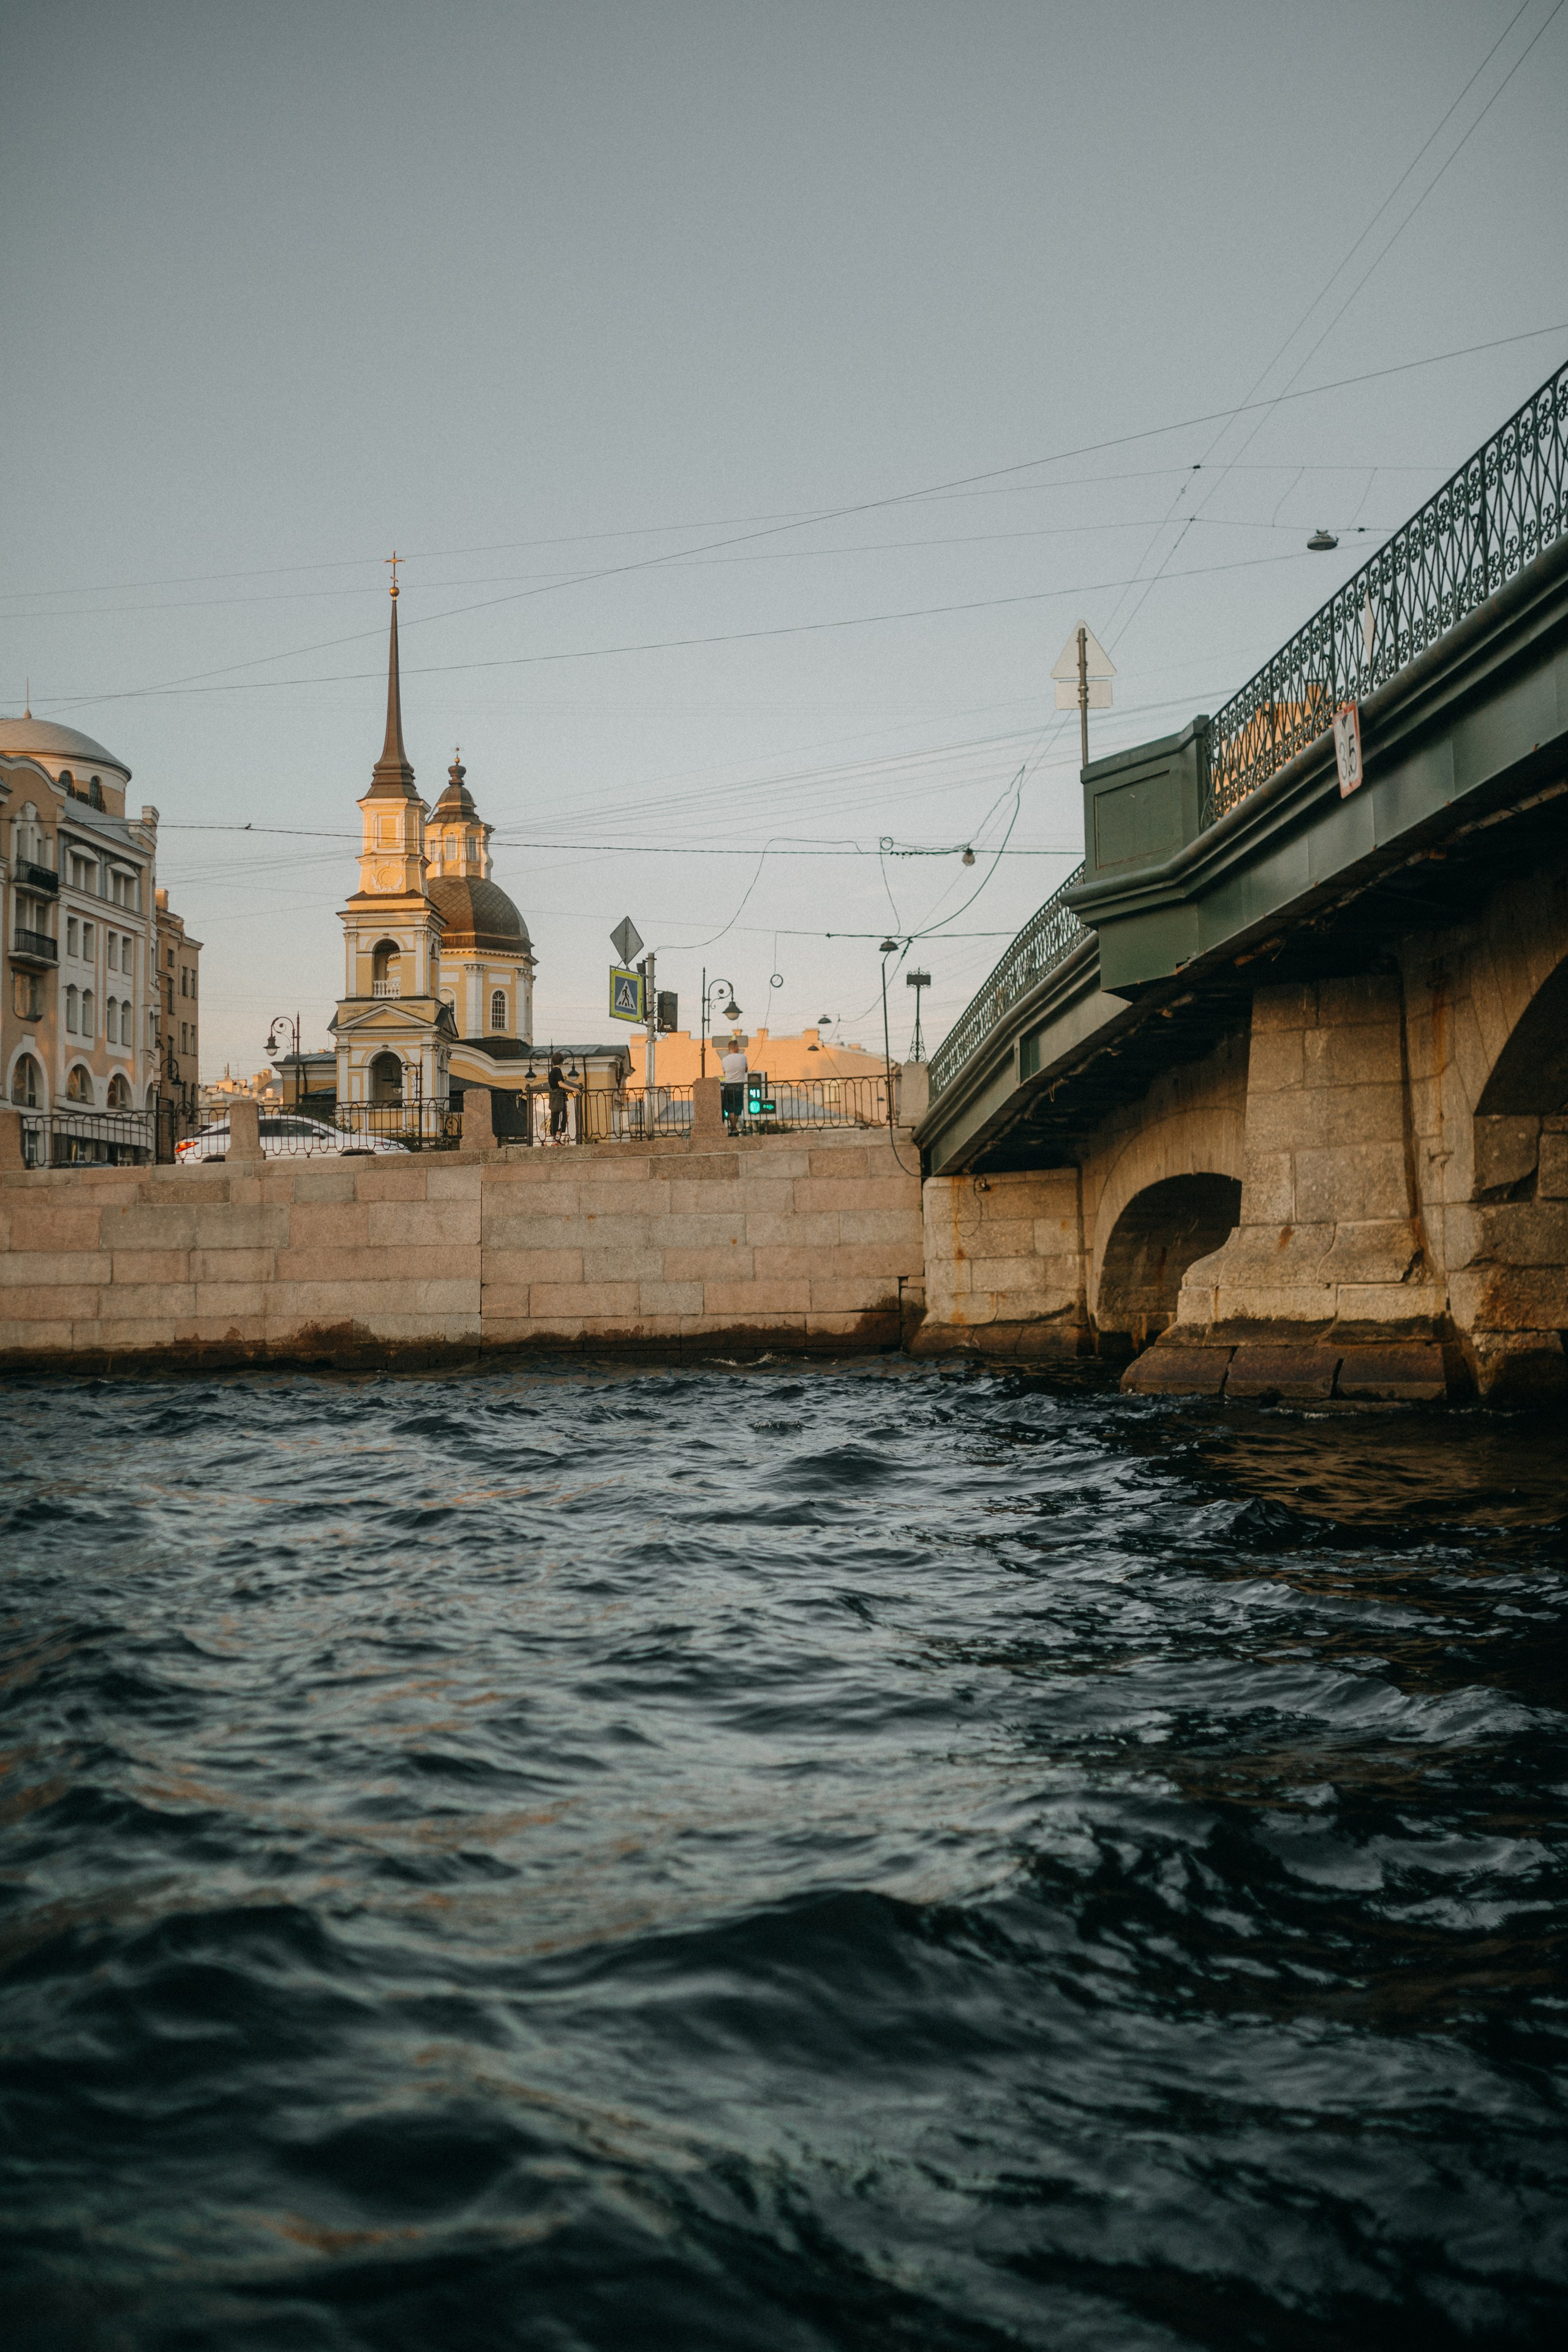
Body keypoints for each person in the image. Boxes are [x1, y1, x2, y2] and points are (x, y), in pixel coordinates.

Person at [718, 1036, 748, 1134]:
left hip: (728, 1086)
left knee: (731, 1108)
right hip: (739, 1086)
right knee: (738, 1108)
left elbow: (724, 1072)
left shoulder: (724, 1060)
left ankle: (733, 1128)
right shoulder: (743, 1057)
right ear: (735, 1047)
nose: (739, 1048)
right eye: (738, 1046)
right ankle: (734, 1128)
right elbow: (746, 1070)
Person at [546, 1056, 577, 1144]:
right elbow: (560, 1084)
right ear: (562, 1062)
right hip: (559, 1097)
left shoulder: (552, 1071)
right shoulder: (557, 1071)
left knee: (556, 1118)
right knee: (560, 1119)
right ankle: (556, 1141)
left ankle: (555, 1141)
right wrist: (572, 1088)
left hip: (555, 1097)